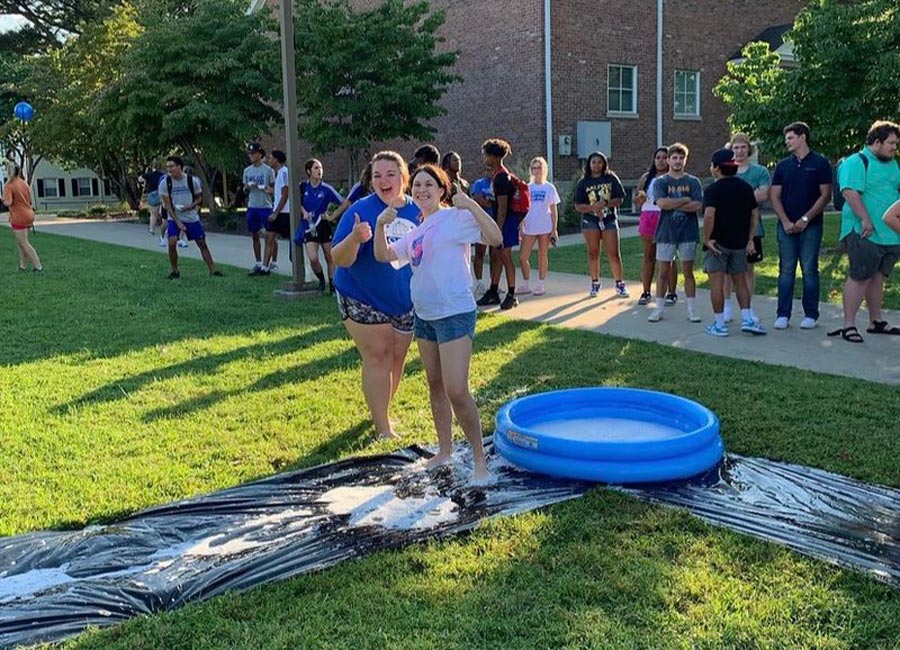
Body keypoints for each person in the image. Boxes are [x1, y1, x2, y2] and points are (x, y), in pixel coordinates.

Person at [373, 164, 501, 482]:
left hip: (454, 313)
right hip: (425, 316)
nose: (421, 190)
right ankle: (444, 450)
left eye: (429, 184)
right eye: (416, 185)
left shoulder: (453, 218)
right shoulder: (416, 230)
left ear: (442, 190)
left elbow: (495, 237)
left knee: (457, 388)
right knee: (436, 385)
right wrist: (378, 226)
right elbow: (385, 256)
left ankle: (479, 459)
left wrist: (470, 204)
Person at [331, 151, 420, 440]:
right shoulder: (360, 210)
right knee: (379, 354)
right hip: (361, 296)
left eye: (390, 174)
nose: (384, 180)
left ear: (403, 178)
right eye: (377, 175)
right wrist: (356, 238)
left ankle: (381, 410)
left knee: (397, 357)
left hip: (404, 300)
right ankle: (383, 428)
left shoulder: (418, 210)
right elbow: (338, 258)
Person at [829, 120, 900, 343]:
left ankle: (875, 321)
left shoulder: (892, 164)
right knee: (860, 277)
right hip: (864, 231)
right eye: (891, 143)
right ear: (876, 142)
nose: (894, 148)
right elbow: (850, 193)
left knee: (878, 277)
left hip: (890, 233)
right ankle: (848, 325)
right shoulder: (856, 161)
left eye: (896, 144)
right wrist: (865, 219)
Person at [770, 122, 832, 330]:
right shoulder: (783, 165)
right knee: (786, 269)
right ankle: (783, 314)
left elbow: (825, 195)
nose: (787, 141)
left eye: (790, 138)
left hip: (811, 226)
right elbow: (774, 196)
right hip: (786, 226)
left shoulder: (820, 162)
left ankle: (811, 314)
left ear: (802, 137)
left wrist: (805, 219)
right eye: (786, 138)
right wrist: (786, 221)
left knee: (809, 269)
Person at [701, 149, 766, 337]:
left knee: (717, 282)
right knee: (741, 280)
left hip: (717, 244)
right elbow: (755, 214)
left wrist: (707, 238)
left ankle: (719, 324)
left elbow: (709, 215)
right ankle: (747, 318)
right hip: (739, 243)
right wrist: (749, 238)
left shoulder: (713, 189)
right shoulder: (745, 188)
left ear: (716, 168)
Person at [648, 143, 703, 323]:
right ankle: (659, 309)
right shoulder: (661, 182)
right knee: (663, 271)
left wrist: (675, 202)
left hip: (688, 232)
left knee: (688, 271)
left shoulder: (693, 181)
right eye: (674, 158)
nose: (678, 161)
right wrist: (684, 200)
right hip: (666, 232)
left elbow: (697, 205)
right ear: (669, 160)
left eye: (681, 158)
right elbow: (662, 204)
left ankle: (691, 309)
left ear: (685, 160)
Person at [723, 133, 770, 324]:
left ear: (748, 149)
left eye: (743, 147)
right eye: (736, 147)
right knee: (727, 270)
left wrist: (736, 197)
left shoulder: (759, 171)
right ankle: (726, 307)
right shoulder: (725, 169)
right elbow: (720, 196)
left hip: (752, 227)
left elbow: (763, 194)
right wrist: (748, 195)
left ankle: (747, 308)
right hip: (727, 227)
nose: (739, 151)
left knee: (748, 269)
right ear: (731, 149)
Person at [573, 151, 628, 298]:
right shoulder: (583, 182)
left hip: (609, 219)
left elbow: (620, 198)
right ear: (589, 164)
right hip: (590, 221)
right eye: (593, 162)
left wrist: (604, 203)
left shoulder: (611, 178)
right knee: (593, 252)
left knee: (613, 253)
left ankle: (619, 284)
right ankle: (595, 283)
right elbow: (578, 205)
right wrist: (593, 208)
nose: (596, 165)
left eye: (599, 162)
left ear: (604, 163)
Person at [158, 155, 222, 279]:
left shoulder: (191, 181)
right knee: (172, 242)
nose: (169, 169)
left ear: (179, 167)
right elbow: (167, 205)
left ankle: (213, 269)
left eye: (171, 166)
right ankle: (174, 269)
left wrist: (190, 206)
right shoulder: (165, 183)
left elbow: (199, 198)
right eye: (167, 167)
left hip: (191, 216)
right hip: (174, 216)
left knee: (201, 242)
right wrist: (177, 222)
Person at [475, 138, 521, 310]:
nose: (485, 159)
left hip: (505, 223)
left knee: (505, 257)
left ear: (494, 157)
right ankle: (493, 291)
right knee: (498, 257)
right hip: (501, 222)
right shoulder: (498, 176)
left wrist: (498, 231)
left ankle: (511, 295)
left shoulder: (502, 178)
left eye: (486, 155)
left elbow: (502, 207)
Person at [633, 147, 677, 305]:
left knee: (668, 257)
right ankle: (646, 292)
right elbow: (636, 200)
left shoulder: (673, 177)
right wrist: (640, 197)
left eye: (665, 157)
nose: (661, 160)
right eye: (658, 157)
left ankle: (671, 292)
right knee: (649, 256)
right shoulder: (647, 178)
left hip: (666, 216)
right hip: (648, 217)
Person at [300, 159, 343, 292]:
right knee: (313, 258)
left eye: (321, 168)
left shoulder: (326, 189)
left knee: (329, 256)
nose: (319, 171)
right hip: (309, 226)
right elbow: (296, 201)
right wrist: (304, 212)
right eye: (316, 168)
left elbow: (344, 202)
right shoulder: (302, 187)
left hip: (323, 224)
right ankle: (321, 280)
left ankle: (332, 285)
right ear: (309, 171)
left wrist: (331, 215)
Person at [519, 156, 559, 296]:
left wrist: (554, 229)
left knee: (543, 255)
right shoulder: (527, 188)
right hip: (530, 226)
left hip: (545, 227)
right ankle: (525, 284)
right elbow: (522, 209)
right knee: (523, 257)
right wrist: (521, 226)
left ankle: (541, 284)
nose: (536, 170)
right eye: (534, 168)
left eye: (539, 167)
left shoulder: (549, 188)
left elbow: (553, 211)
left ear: (544, 169)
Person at [2, 164, 42, 272]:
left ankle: (38, 266)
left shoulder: (8, 186)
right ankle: (22, 266)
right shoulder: (23, 183)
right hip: (29, 215)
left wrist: (1, 199)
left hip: (19, 216)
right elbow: (29, 200)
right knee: (21, 242)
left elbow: (8, 202)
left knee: (24, 243)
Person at [244, 143, 276, 276]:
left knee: (270, 235)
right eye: (250, 153)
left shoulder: (268, 170)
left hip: (265, 206)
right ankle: (258, 262)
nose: (251, 155)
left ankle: (271, 262)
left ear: (259, 154)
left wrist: (267, 189)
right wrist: (248, 186)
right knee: (254, 234)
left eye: (254, 153)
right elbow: (245, 187)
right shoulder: (247, 170)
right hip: (252, 205)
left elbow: (275, 189)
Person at [263, 149, 291, 274]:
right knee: (269, 236)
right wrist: (272, 192)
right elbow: (280, 193)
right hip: (278, 210)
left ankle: (272, 264)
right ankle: (265, 267)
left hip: (284, 213)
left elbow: (285, 194)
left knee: (273, 237)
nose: (269, 160)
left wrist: (276, 213)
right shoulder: (278, 173)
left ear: (276, 160)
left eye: (271, 158)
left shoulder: (284, 172)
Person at [468, 170, 494, 296]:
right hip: (481, 223)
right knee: (480, 253)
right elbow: (478, 201)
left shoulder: (498, 183)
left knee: (495, 255)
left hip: (495, 223)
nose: (490, 172)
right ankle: (479, 283)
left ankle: (494, 284)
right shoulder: (479, 184)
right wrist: (492, 202)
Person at [141, 162, 166, 247]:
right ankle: (165, 228)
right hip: (161, 194)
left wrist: (144, 182)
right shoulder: (163, 175)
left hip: (152, 194)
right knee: (163, 213)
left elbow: (140, 178)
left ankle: (151, 229)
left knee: (153, 214)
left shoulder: (149, 175)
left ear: (152, 167)